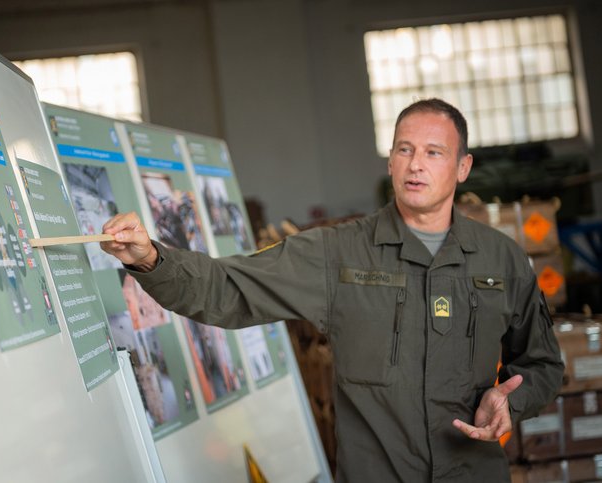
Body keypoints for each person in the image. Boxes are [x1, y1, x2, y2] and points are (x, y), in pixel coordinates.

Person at [100, 98, 563, 482]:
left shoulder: (501, 260)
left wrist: (510, 400)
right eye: (404, 150)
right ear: (390, 160)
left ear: (463, 167)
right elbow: (228, 288)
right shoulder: (337, 254)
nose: (416, 164)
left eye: (434, 152)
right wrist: (150, 259)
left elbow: (542, 365)